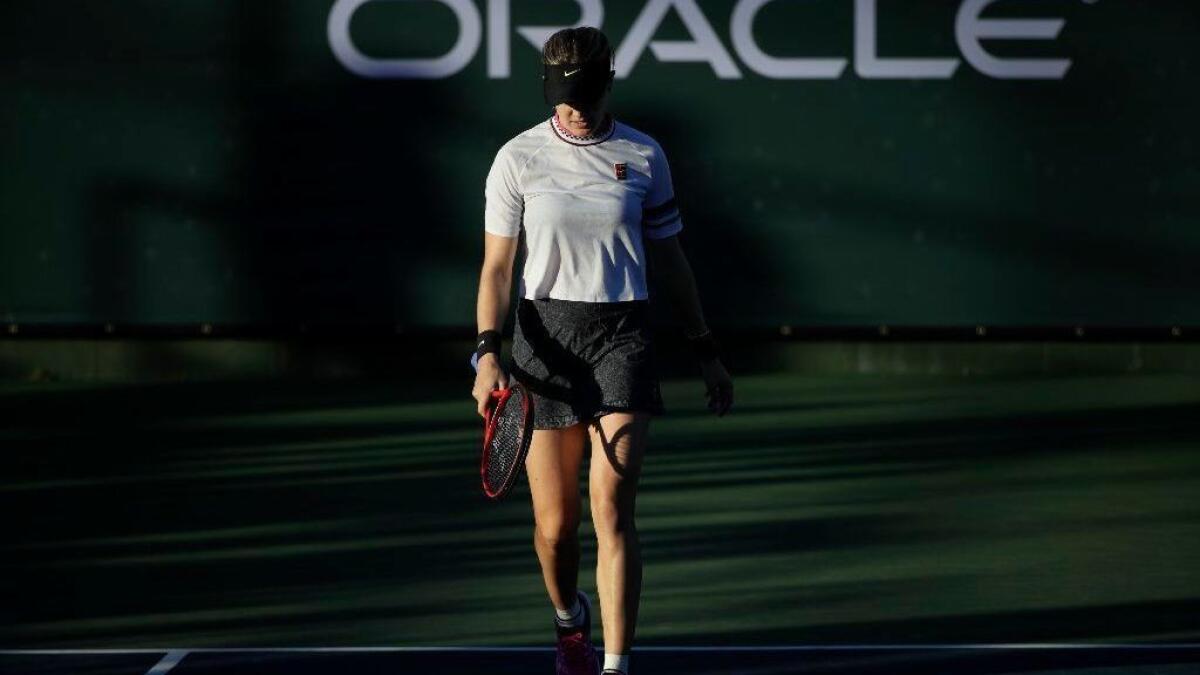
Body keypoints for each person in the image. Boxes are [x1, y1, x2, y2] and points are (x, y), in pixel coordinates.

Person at [471, 26, 733, 675]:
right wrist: (485, 352)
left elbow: (671, 261)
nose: (573, 108)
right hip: (543, 341)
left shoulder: (645, 156)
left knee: (612, 508)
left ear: (607, 82)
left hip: (623, 334)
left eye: (584, 94)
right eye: (562, 96)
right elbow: (498, 269)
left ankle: (616, 666)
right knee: (556, 529)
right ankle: (569, 622)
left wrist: (705, 346)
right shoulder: (517, 159)